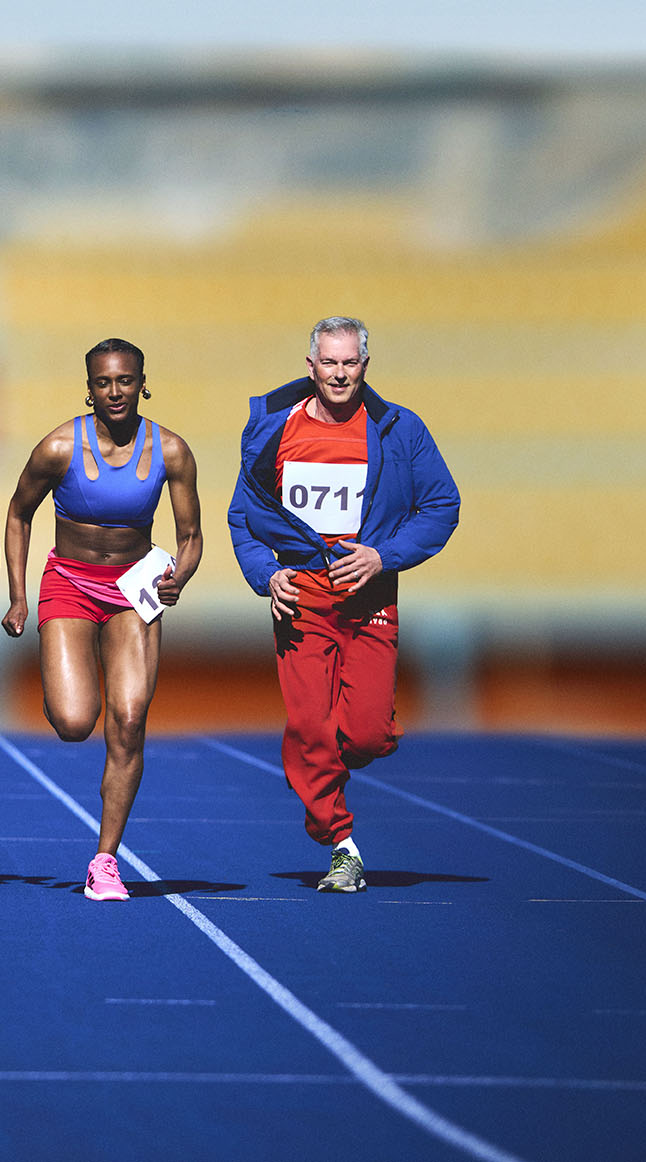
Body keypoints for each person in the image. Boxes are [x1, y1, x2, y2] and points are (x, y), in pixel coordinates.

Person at [227, 317, 460, 893]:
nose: (339, 373)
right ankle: (341, 844)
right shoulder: (271, 432)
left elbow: (441, 506)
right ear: (311, 367)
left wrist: (384, 557)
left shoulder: (400, 430)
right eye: (328, 363)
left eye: (349, 363)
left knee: (364, 737)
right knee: (310, 724)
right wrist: (267, 573)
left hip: (369, 596)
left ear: (364, 366)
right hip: (303, 597)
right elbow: (244, 520)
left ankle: (317, 760)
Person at [0, 339, 202, 901]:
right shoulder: (60, 446)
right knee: (72, 722)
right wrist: (18, 596)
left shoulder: (173, 451)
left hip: (134, 589)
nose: (115, 392)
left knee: (131, 718)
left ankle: (105, 861)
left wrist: (178, 576)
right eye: (104, 382)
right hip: (68, 583)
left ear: (143, 382)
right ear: (88, 387)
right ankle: (64, 686)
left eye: (126, 380)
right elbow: (18, 514)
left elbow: (190, 537)